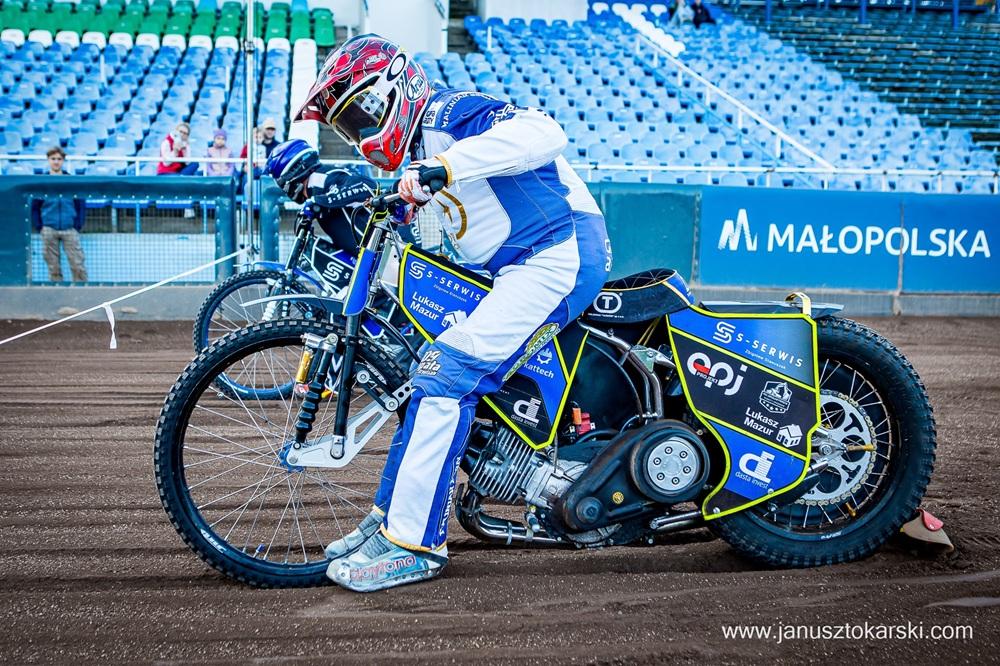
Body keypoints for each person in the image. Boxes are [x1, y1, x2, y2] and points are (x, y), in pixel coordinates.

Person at [294, 34, 612, 592]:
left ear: (395, 89)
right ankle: (390, 521)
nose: (363, 136)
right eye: (349, 128)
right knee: (430, 374)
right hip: (518, 265)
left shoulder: (448, 113)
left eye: (362, 115)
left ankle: (416, 544)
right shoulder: (424, 148)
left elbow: (546, 131)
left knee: (448, 374)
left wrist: (443, 166)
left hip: (558, 253)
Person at [262, 139, 379, 252]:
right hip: (366, 260)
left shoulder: (322, 177)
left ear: (291, 172)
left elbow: (368, 185)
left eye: (281, 182)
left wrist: (319, 201)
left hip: (382, 254)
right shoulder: (315, 186)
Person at [31, 146, 87, 282]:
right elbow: (34, 207)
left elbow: (80, 204)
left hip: (70, 228)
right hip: (49, 228)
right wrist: (40, 226)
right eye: (53, 159)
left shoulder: (71, 181)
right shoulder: (42, 182)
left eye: (59, 159)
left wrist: (77, 225)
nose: (56, 162)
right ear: (48, 160)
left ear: (63, 161)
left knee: (77, 264)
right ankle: (57, 292)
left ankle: (82, 292)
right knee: (53, 266)